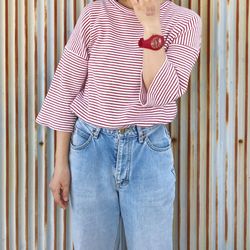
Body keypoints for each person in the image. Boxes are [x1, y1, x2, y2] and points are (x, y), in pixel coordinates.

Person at [35, 0, 202, 249]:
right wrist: (60, 164)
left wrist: (151, 24)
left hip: (149, 151)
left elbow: (163, 94)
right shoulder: (96, 13)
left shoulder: (185, 21)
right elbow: (65, 87)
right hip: (91, 148)